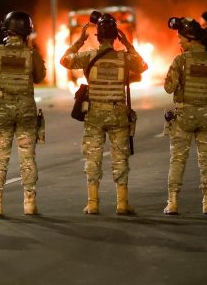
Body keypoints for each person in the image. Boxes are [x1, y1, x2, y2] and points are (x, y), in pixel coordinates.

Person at [60, 14, 146, 215]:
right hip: (118, 114)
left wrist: (80, 40)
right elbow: (142, 66)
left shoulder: (89, 56)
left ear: (97, 37)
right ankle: (122, 203)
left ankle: (93, 203)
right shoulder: (124, 57)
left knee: (93, 157)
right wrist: (128, 44)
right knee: (120, 158)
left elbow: (65, 60)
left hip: (95, 114)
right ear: (116, 37)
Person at [0, 11, 46, 216]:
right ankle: (30, 203)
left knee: (0, 157)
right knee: (27, 157)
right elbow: (40, 77)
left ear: (7, 30)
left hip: (3, 108)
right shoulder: (31, 54)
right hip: (26, 108)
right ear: (26, 32)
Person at [163, 17, 207, 215]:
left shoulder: (181, 60)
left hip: (185, 116)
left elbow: (168, 88)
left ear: (190, 40)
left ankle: (173, 203)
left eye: (180, 39)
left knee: (177, 159)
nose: (179, 42)